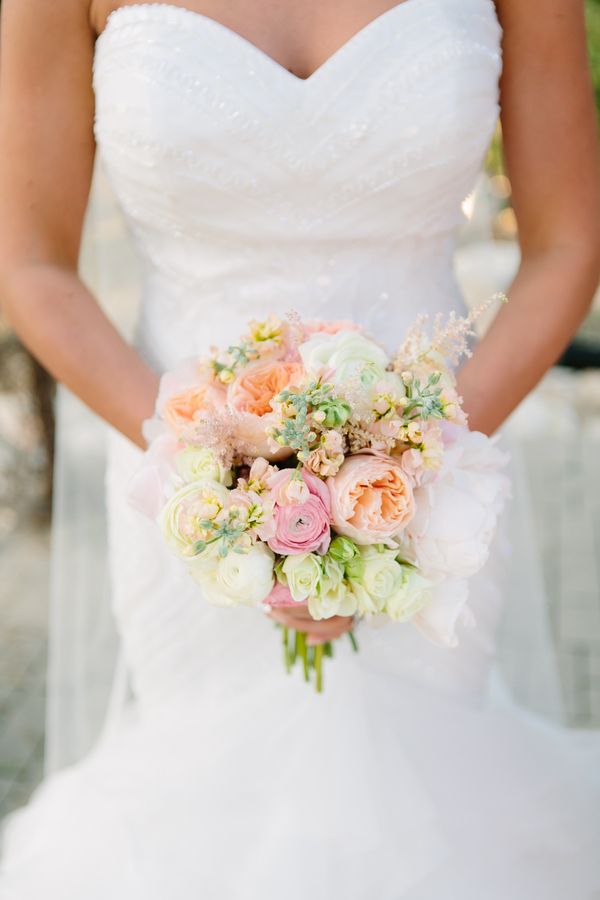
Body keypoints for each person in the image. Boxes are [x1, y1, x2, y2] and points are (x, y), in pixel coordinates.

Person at [0, 1, 599, 897]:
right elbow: (31, 265)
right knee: (203, 821)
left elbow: (568, 244)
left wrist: (411, 466)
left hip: (432, 485)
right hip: (184, 496)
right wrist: (207, 472)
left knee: (430, 805)